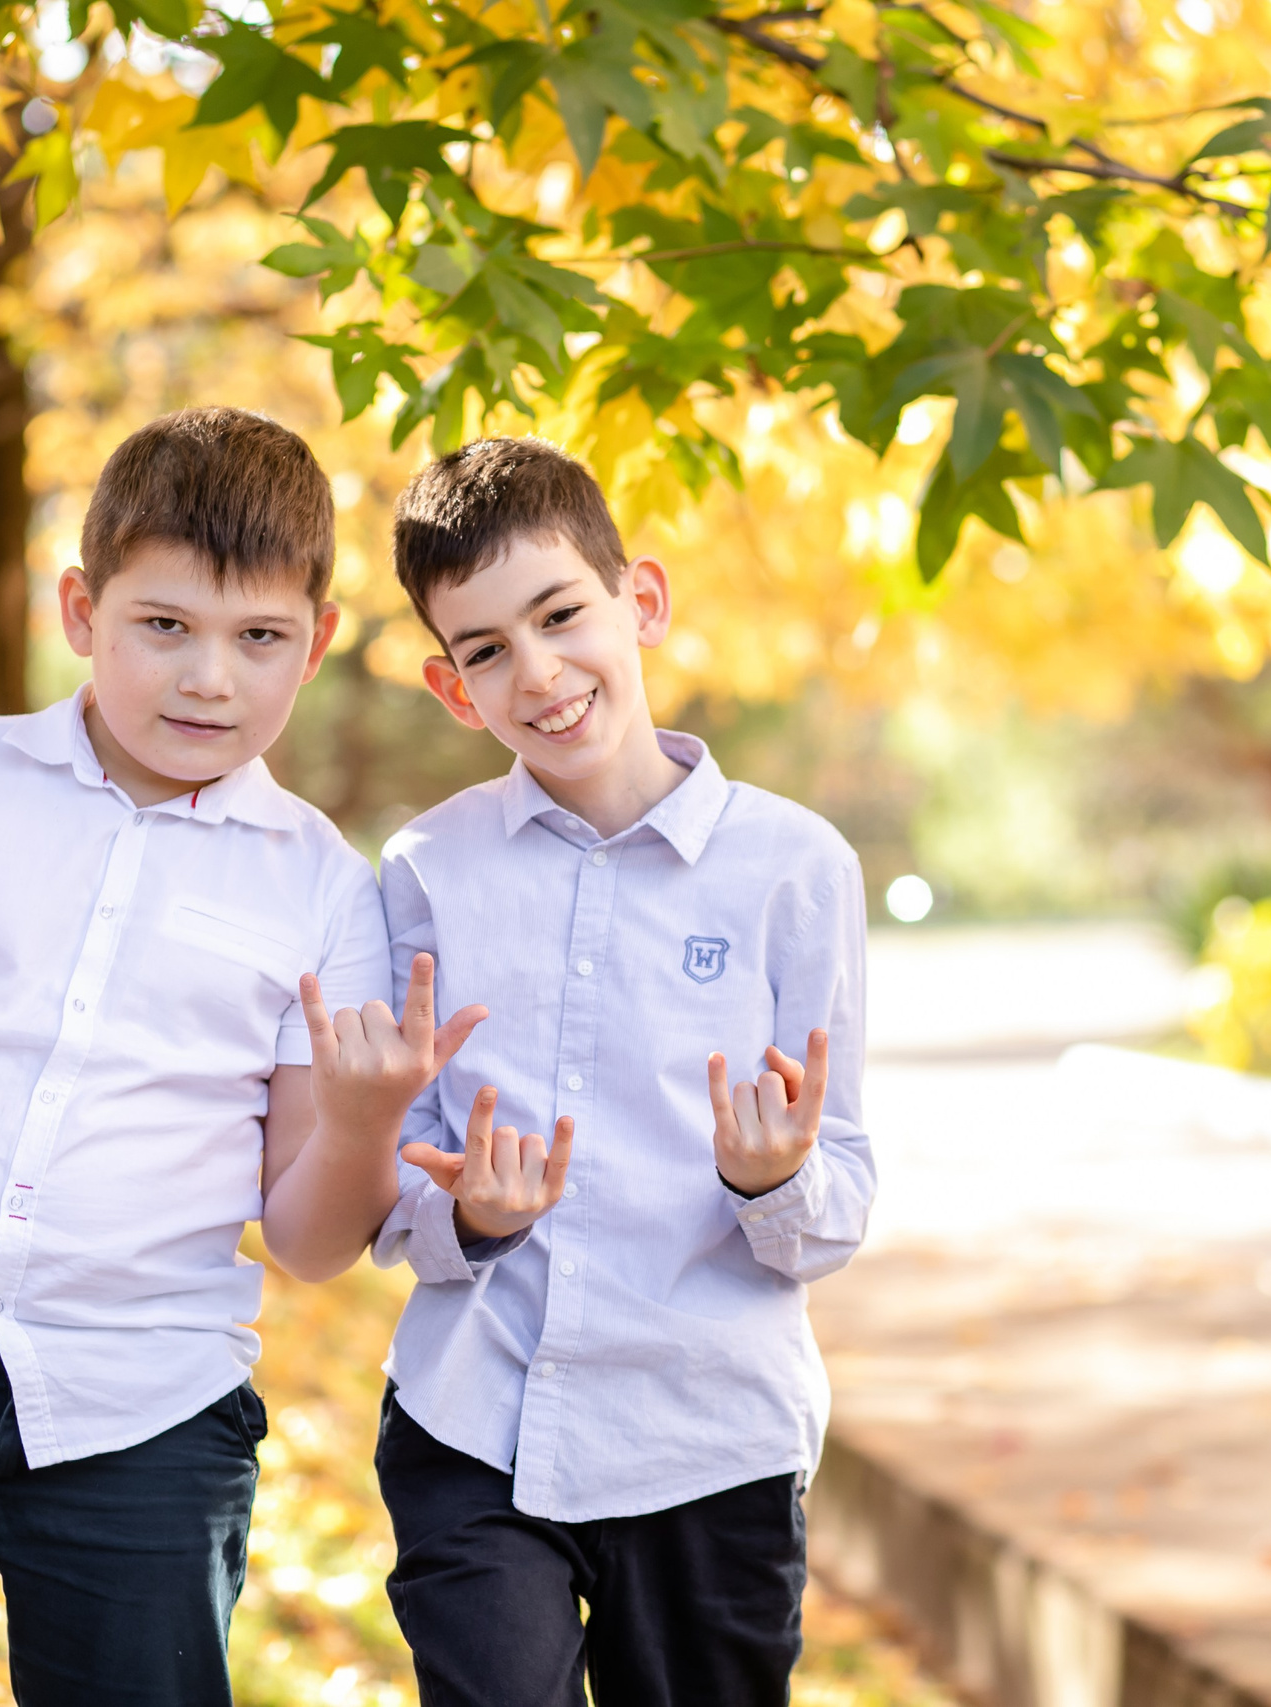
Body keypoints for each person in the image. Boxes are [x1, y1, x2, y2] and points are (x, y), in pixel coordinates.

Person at [0, 407, 480, 1706]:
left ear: (318, 640)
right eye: (162, 625)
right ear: (80, 609)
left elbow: (312, 1236)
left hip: (145, 1417)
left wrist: (362, 1120)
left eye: (258, 637)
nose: (207, 678)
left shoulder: (327, 890)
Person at [368, 436, 875, 1707]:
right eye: (486, 648)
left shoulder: (794, 870)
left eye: (559, 615)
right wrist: (468, 1217)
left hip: (707, 1438)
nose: (536, 672)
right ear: (448, 684)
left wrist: (772, 1183)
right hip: (471, 1419)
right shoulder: (428, 871)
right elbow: (391, 1174)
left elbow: (841, 1194)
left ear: (638, 600)